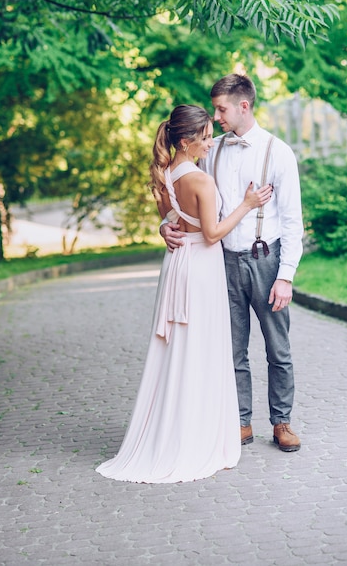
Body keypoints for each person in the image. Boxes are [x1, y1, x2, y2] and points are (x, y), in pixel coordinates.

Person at [96, 104, 272, 483]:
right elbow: (211, 233)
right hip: (201, 268)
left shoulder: (164, 174)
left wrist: (164, 227)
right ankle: (197, 437)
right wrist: (247, 205)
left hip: (177, 266)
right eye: (205, 137)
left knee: (178, 349)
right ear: (185, 140)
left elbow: (169, 218)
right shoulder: (200, 181)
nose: (210, 143)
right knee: (203, 349)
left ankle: (175, 430)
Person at [161, 75, 304, 452]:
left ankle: (282, 422)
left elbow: (292, 221)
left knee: (278, 347)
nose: (216, 116)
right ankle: (240, 421)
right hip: (220, 261)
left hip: (266, 259)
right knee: (231, 347)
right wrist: (165, 226)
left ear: (243, 106)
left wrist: (285, 277)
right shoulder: (211, 150)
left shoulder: (279, 151)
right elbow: (186, 199)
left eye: (221, 109)